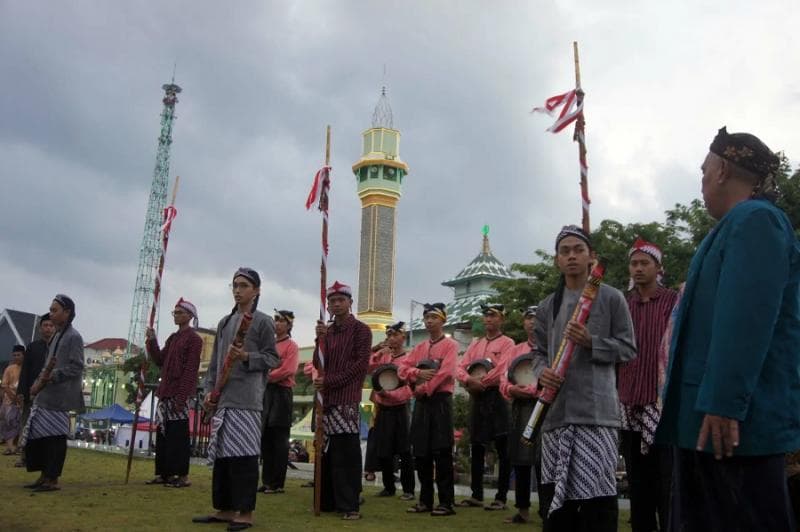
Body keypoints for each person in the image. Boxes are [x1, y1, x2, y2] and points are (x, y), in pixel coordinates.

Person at [657, 127, 800, 531]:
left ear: (721, 171)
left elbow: (746, 317)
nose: (701, 181)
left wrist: (723, 402)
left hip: (732, 428)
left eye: (705, 171)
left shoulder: (757, 220)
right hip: (709, 423)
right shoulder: (736, 225)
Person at [532, 226, 636, 532]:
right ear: (557, 260)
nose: (572, 256)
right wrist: (542, 372)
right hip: (556, 414)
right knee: (555, 503)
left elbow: (629, 348)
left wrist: (593, 341)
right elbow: (537, 352)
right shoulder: (547, 306)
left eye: (578, 249)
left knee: (598, 503)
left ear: (592, 257)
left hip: (596, 415)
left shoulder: (612, 298)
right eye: (565, 251)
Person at [193, 268, 279, 532]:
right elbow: (215, 363)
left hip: (246, 400)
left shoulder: (263, 322)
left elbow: (273, 359)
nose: (238, 290)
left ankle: (245, 512)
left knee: (243, 456)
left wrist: (246, 358)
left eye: (244, 285)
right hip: (223, 398)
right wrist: (209, 391)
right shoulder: (225, 322)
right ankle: (225, 508)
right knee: (223, 457)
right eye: (235, 285)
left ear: (257, 291)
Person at [619, 238, 678, 532]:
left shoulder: (672, 301)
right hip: (629, 402)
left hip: (662, 404)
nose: (639, 268)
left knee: (665, 480)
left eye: (645, 263)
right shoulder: (623, 305)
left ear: (658, 267)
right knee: (637, 482)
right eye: (634, 263)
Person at [313, 281, 372, 521]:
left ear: (350, 303)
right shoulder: (327, 332)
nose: (336, 304)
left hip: (346, 399)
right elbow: (318, 364)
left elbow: (359, 366)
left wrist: (330, 381)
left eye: (341, 300)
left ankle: (350, 504)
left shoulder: (361, 330)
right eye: (332, 301)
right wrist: (319, 341)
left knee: (346, 453)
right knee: (325, 452)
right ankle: (327, 500)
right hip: (325, 400)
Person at [399, 302, 459, 517]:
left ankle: (446, 502)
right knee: (421, 452)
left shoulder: (451, 346)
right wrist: (416, 374)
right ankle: (425, 500)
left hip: (440, 400)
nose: (429, 321)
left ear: (443, 320)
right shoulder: (419, 347)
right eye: (427, 318)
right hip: (422, 403)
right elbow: (402, 369)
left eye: (434, 317)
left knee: (442, 452)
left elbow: (447, 372)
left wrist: (426, 387)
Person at [22, 294, 85, 492]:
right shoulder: (57, 335)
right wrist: (37, 383)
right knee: (41, 437)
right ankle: (44, 475)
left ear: (67, 313)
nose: (51, 313)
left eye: (54, 310)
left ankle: (52, 479)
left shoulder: (74, 337)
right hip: (46, 395)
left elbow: (77, 367)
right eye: (50, 310)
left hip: (61, 397)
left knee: (55, 439)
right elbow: (47, 364)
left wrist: (52, 376)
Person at [456, 303, 515, 511]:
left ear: (501, 319)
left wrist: (482, 381)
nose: (488, 319)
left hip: (497, 396)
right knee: (477, 446)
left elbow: (503, 369)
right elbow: (460, 366)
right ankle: (476, 495)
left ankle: (501, 497)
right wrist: (469, 381)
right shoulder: (476, 343)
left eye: (493, 315)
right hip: (477, 396)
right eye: (486, 315)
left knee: (502, 447)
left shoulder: (508, 343)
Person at [145, 297, 203, 488]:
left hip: (179, 393)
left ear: (189, 316)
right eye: (175, 312)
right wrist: (152, 341)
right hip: (165, 391)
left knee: (178, 435)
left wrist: (182, 396)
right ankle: (164, 472)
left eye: (179, 312)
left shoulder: (194, 340)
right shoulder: (172, 338)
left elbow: (190, 370)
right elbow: (160, 360)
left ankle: (182, 475)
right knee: (162, 433)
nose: (176, 316)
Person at [499, 306, 540, 524]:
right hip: (519, 408)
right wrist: (510, 390)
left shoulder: (551, 347)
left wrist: (533, 390)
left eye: (537, 318)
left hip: (544, 407)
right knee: (521, 461)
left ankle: (548, 510)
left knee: (545, 461)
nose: (532, 323)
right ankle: (522, 510)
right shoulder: (516, 350)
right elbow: (504, 379)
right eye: (529, 318)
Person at [368, 321, 415, 500]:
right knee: (383, 450)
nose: (391, 339)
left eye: (395, 335)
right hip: (383, 408)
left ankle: (409, 489)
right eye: (389, 336)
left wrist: (390, 395)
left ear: (403, 337)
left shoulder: (408, 359)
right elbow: (366, 366)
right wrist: (376, 351)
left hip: (400, 407)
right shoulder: (384, 356)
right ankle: (389, 487)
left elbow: (409, 387)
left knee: (404, 450)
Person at [259, 309, 299, 494]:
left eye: (281, 321)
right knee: (266, 435)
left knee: (279, 437)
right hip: (267, 391)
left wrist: (266, 376)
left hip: (281, 392)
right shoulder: (268, 344)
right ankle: (267, 480)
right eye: (275, 320)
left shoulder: (291, 346)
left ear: (289, 325)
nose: (277, 324)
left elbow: (288, 370)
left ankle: (277, 483)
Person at [15, 314, 55, 468]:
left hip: (50, 396)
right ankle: (23, 457)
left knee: (45, 428)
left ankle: (42, 459)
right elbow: (25, 371)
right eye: (45, 325)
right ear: (40, 328)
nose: (48, 328)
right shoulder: (32, 347)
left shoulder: (58, 347)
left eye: (51, 325)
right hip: (31, 394)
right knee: (26, 426)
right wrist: (21, 393)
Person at [0, 345, 24, 455]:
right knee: (8, 424)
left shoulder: (27, 368)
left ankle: (18, 447)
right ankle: (10, 447)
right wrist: (13, 399)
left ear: (24, 355)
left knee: (20, 425)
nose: (16, 357)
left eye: (18, 355)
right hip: (9, 402)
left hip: (23, 402)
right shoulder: (9, 369)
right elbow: (4, 386)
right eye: (14, 355)